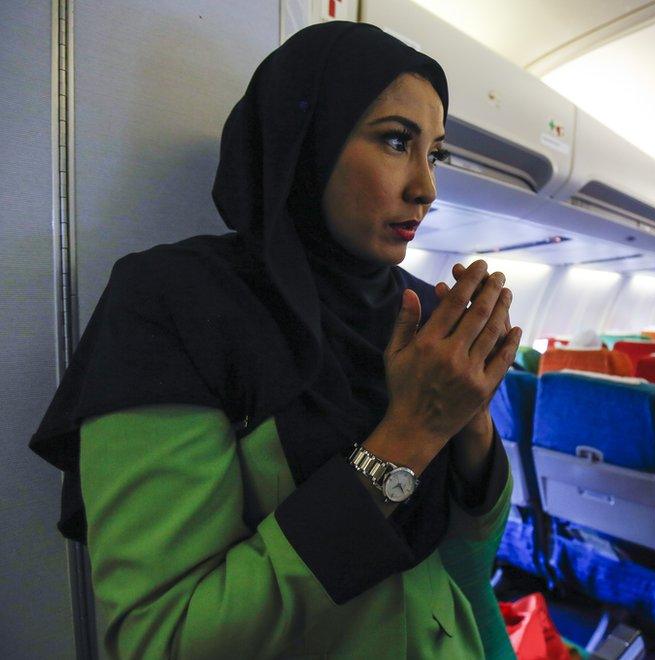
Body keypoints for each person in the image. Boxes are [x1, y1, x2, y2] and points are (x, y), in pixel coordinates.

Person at [30, 22, 520, 658]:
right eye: (397, 141)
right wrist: (412, 435)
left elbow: (467, 556)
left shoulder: (419, 305)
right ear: (306, 140)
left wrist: (471, 422)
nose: (426, 188)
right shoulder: (176, 302)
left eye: (435, 154)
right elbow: (164, 638)